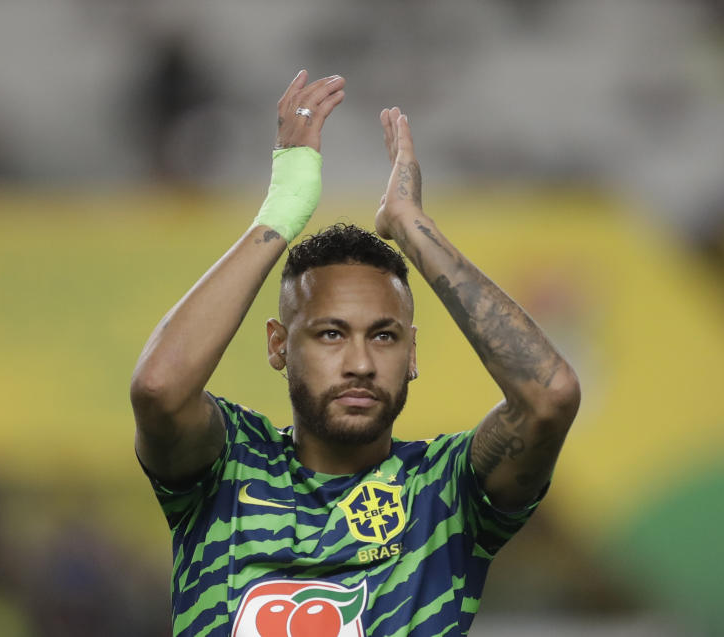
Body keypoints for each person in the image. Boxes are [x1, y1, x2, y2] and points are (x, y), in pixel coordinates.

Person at [130, 69, 580, 637]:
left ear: (412, 353)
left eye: (384, 335)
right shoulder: (226, 468)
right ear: (278, 345)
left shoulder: (445, 492)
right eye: (331, 334)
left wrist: (412, 227)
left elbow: (550, 395)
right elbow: (157, 390)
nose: (361, 363)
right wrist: (280, 214)